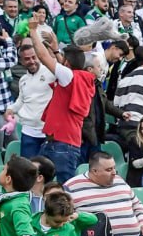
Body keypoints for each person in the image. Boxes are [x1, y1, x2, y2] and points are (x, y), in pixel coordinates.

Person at [28, 16, 95, 186]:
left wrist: (32, 31)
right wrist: (57, 51)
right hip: (59, 142)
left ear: (67, 62)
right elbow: (64, 68)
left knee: (65, 189)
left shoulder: (69, 76)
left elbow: (43, 56)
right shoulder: (78, 77)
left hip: (61, 144)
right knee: (38, 183)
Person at [65, 152, 143, 236]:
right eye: (109, 170)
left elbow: (137, 205)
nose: (114, 173)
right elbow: (64, 218)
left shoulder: (119, 181)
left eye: (114, 168)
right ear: (94, 171)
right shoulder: (71, 187)